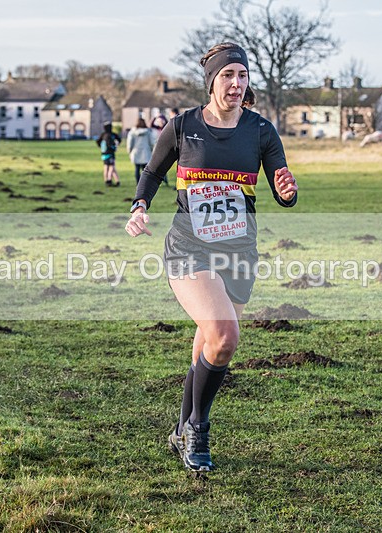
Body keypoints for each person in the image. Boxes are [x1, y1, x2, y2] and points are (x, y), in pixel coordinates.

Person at [125, 42, 298, 472]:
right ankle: (198, 433)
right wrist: (140, 206)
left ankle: (182, 427)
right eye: (228, 76)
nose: (236, 84)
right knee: (224, 336)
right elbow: (152, 172)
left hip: (239, 250)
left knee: (209, 343)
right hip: (189, 246)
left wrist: (287, 191)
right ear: (212, 81)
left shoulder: (261, 130)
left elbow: (280, 188)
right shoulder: (183, 126)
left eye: (242, 75)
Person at [126, 117, 155, 184]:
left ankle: (138, 183)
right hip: (146, 152)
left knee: (137, 169)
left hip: (136, 152)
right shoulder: (148, 132)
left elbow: (130, 143)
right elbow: (151, 142)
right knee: (145, 170)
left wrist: (129, 150)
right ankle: (144, 183)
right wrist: (151, 150)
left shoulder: (132, 132)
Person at [96, 122, 121, 187]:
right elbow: (118, 140)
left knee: (106, 167)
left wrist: (100, 147)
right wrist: (115, 147)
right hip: (110, 153)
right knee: (111, 167)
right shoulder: (112, 135)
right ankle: (109, 180)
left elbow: (98, 141)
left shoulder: (103, 134)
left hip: (104, 153)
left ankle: (108, 180)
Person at [149, 115, 170, 187]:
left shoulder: (166, 128)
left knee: (164, 165)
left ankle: (165, 180)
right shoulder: (156, 128)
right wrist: (155, 117)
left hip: (164, 148)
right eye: (159, 121)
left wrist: (162, 117)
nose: (160, 123)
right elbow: (151, 125)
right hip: (157, 149)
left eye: (162, 121)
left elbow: (168, 122)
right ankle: (158, 180)